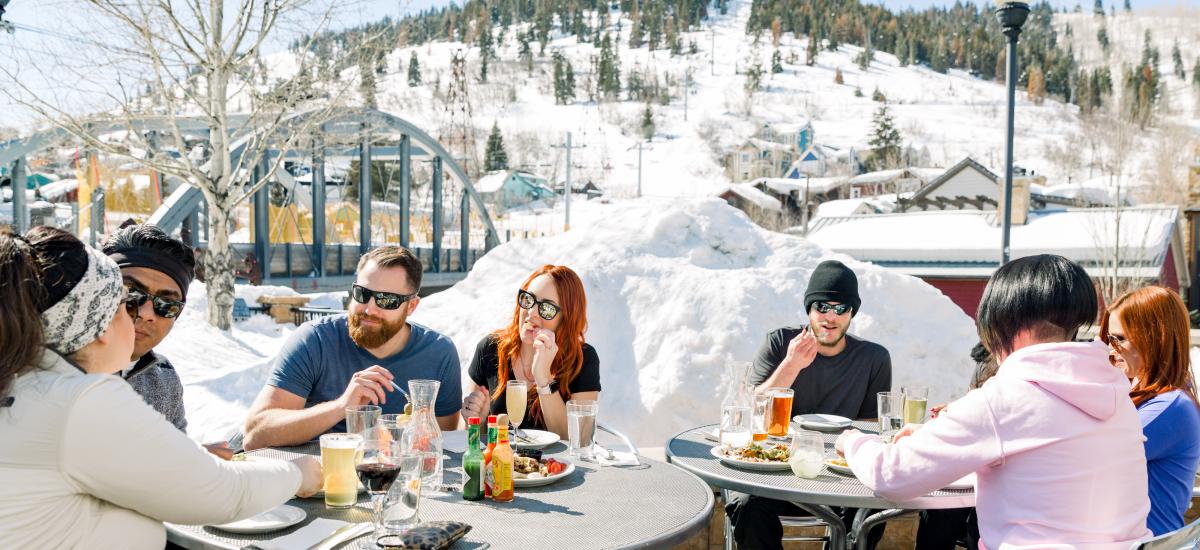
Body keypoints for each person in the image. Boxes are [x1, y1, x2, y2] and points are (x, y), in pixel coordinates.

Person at [0, 227, 321, 549]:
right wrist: (301, 473)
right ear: (99, 324)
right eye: (127, 301)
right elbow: (217, 493)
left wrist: (190, 461)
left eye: (167, 306)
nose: (143, 315)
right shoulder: (80, 398)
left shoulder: (27, 380)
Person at [836, 254, 1151, 548]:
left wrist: (853, 442)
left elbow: (890, 474)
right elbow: (1046, 468)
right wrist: (931, 439)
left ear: (1004, 324)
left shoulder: (1005, 397)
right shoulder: (1114, 394)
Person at [725, 259, 892, 550]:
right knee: (746, 502)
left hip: (838, 478)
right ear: (809, 310)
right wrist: (791, 365)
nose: (830, 316)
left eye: (841, 308)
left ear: (852, 313)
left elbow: (871, 431)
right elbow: (751, 412)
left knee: (874, 506)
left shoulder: (873, 358)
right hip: (779, 474)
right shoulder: (780, 343)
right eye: (822, 307)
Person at [243, 245, 462, 450]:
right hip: (319, 482)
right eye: (363, 294)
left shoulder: (439, 353)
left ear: (411, 306)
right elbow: (254, 435)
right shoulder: (315, 340)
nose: (370, 309)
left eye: (386, 300)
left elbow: (443, 443)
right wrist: (340, 407)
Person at [1101, 285, 1200, 536]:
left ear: (1155, 338)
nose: (1110, 349)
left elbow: (1091, 452)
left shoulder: (1170, 407)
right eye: (1108, 339)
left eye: (1119, 338)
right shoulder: (1157, 399)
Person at [459, 265, 599, 438]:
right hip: (501, 463)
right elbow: (468, 440)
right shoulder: (490, 349)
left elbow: (579, 440)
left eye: (547, 308)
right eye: (528, 299)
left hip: (557, 465)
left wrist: (544, 379)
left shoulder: (582, 359)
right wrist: (477, 424)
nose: (531, 313)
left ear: (566, 318)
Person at [101, 224, 194, 433]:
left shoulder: (163, 380)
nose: (146, 313)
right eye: (132, 294)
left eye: (166, 305)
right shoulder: (56, 372)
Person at [914, 342, 996, 550]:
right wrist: (955, 412)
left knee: (976, 514)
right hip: (974, 468)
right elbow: (975, 406)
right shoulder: (986, 360)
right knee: (943, 508)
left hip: (1004, 478)